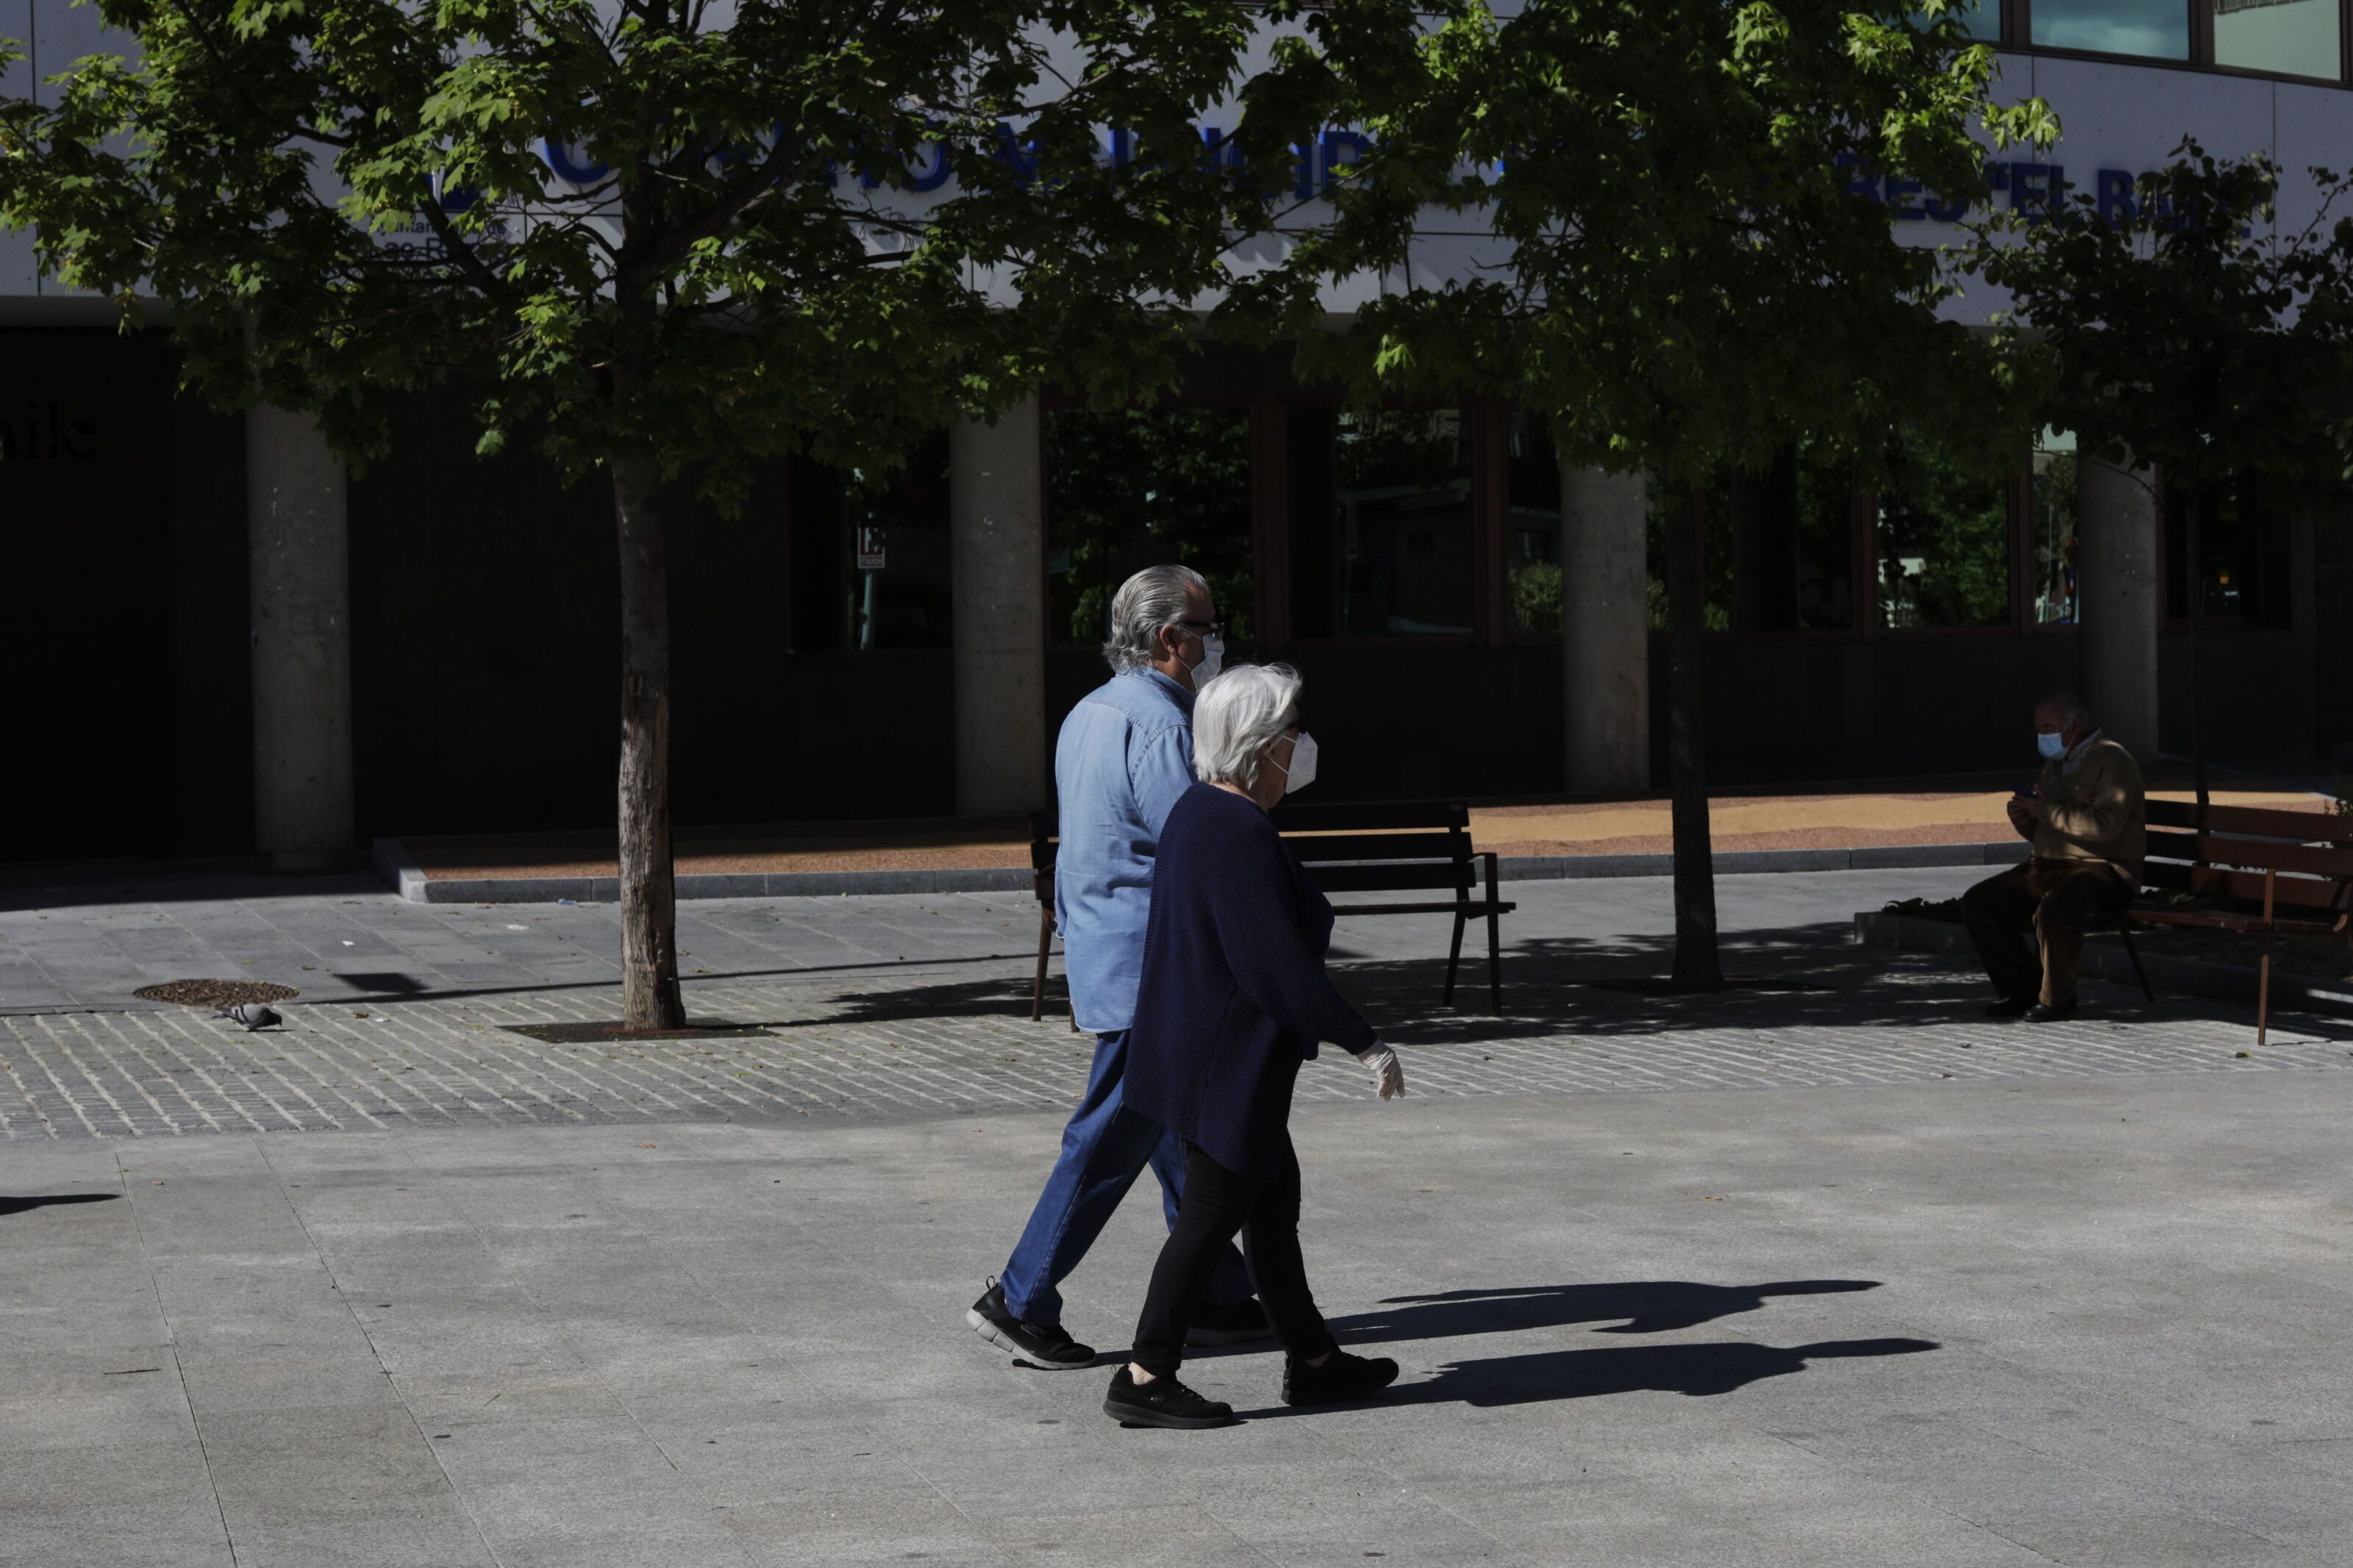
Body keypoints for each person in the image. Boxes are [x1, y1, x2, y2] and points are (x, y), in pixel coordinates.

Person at [966, 565, 1266, 1368]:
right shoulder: (1166, 723)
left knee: (1175, 1126)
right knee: (1113, 1133)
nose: (1214, 641)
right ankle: (1021, 1297)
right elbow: (1197, 842)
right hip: (1157, 960)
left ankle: (1217, 1291)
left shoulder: (1089, 713)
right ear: (1171, 638)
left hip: (1109, 945)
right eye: (1205, 627)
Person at [1102, 663, 1407, 1430]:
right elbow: (1273, 968)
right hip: (1223, 1066)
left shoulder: (1199, 813)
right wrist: (1362, 1041)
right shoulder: (1236, 832)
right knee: (1210, 1216)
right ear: (1259, 743)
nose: (1301, 742)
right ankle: (1143, 1375)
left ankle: (1313, 1362)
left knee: (1270, 1209)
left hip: (1211, 1057)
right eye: (1292, 729)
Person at [1960, 692, 2146, 1023]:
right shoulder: (2057, 763)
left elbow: (2104, 827)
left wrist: (2045, 811)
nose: (2041, 735)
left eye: (2048, 727)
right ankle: (2023, 988)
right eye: (2038, 728)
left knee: (2055, 909)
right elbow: (2049, 830)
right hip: (2048, 865)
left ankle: (2058, 998)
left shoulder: (2113, 760)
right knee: (1979, 902)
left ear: (2074, 726)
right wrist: (2026, 818)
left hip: (2102, 869)